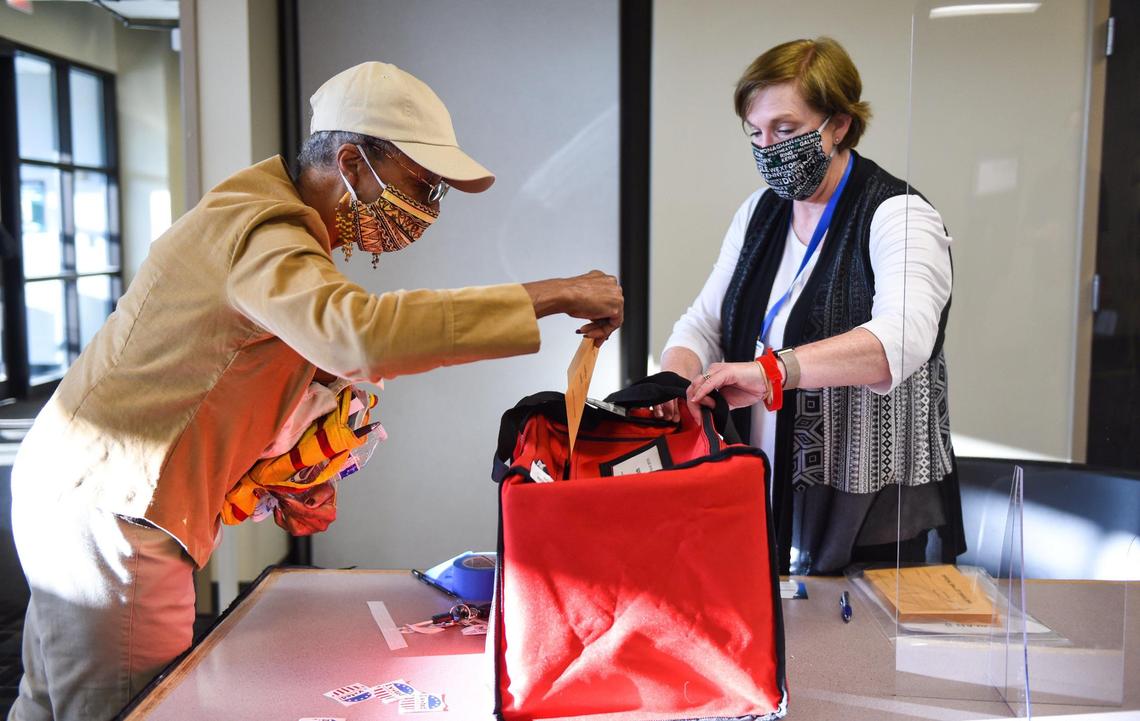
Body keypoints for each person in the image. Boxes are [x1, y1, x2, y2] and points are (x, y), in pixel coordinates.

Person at [7, 61, 623, 721]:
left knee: (47, 704)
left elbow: (249, 365)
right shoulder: (265, 232)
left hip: (81, 488)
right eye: (423, 185)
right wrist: (551, 295)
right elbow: (361, 336)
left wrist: (294, 472)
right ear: (352, 163)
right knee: (125, 710)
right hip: (115, 508)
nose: (429, 210)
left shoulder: (271, 226)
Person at [660, 38, 964, 576]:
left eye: (785, 130)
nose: (768, 148)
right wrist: (673, 383)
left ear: (839, 124)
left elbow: (902, 338)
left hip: (865, 498)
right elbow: (703, 323)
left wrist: (771, 372)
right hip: (762, 483)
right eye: (756, 133)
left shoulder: (898, 215)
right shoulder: (760, 212)